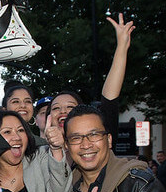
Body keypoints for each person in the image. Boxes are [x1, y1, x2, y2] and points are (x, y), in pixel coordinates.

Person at [47, 13, 135, 149]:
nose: (63, 111)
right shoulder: (38, 155)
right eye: (56, 108)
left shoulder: (97, 142)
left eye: (70, 107)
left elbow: (109, 98)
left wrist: (121, 48)